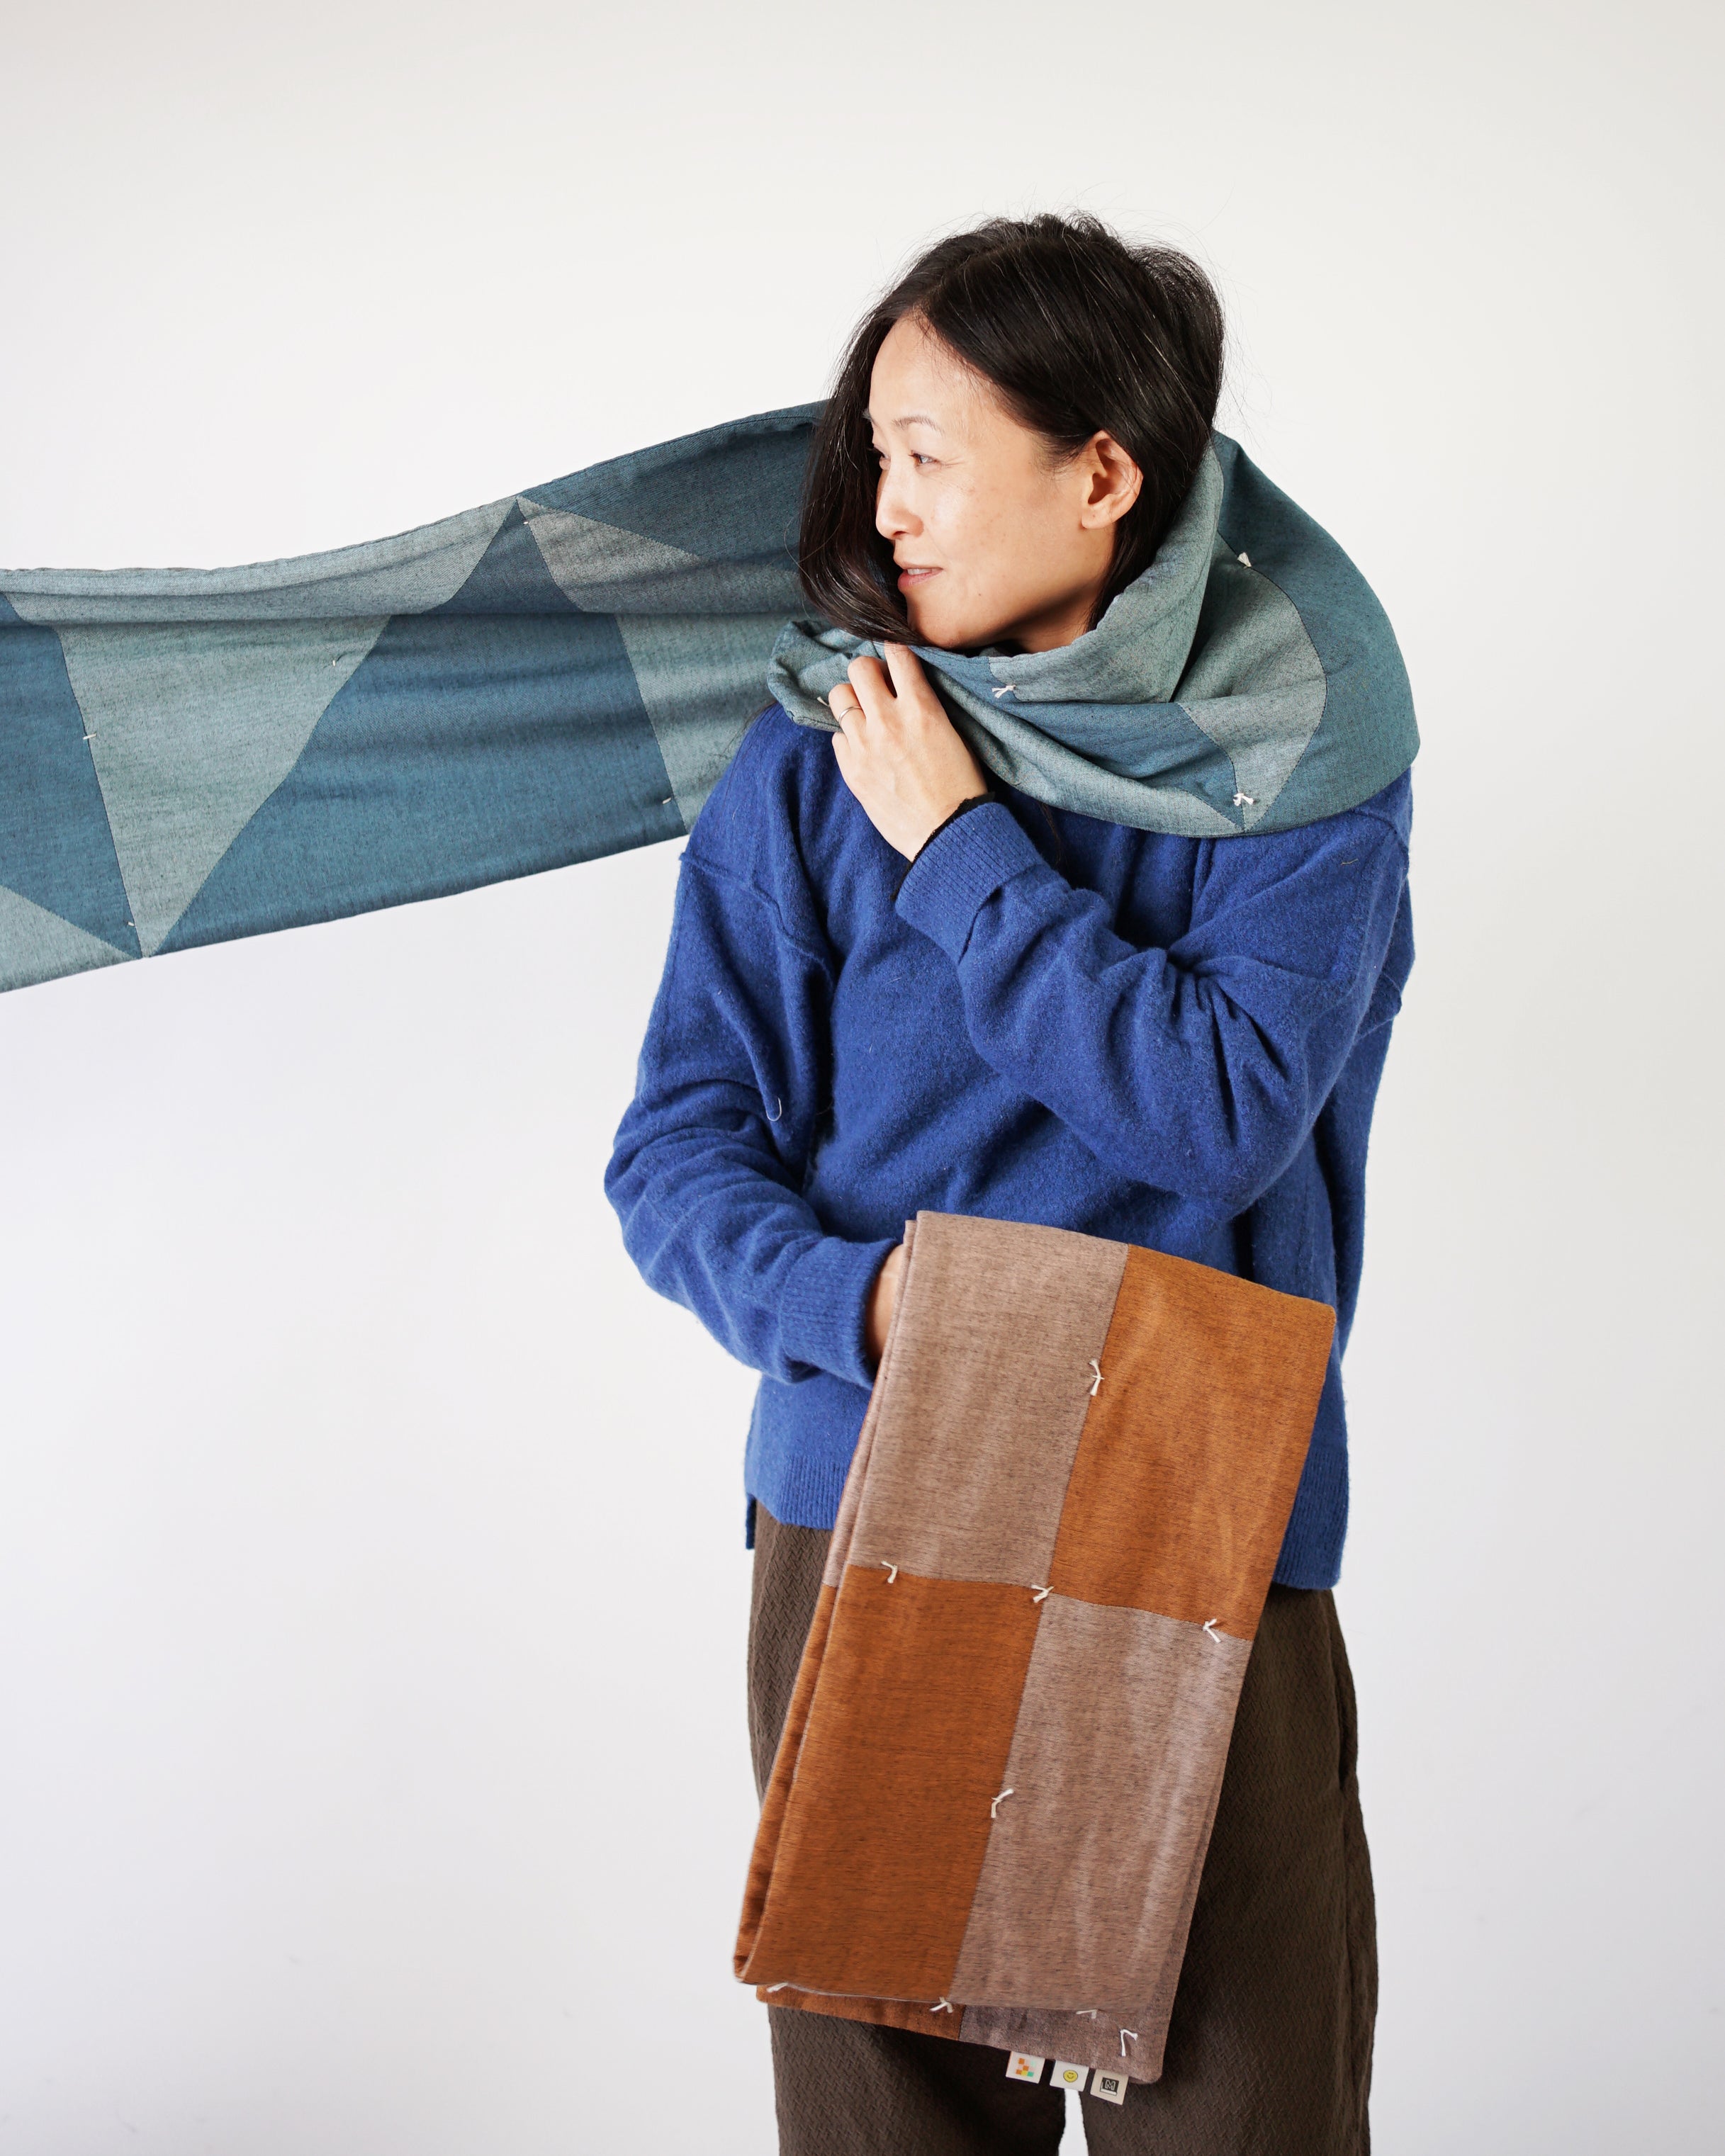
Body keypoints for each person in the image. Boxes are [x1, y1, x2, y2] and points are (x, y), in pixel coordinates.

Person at [606, 213, 1410, 2155]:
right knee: (895, 2130)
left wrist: (962, 848)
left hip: (1198, 1515)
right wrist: (865, 1310)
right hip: (868, 1491)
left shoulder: (1296, 763)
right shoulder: (818, 754)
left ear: (1101, 474)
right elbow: (676, 1147)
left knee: (1242, 2119)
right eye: (870, 451)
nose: (882, 507)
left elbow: (1218, 1112)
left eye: (928, 453)